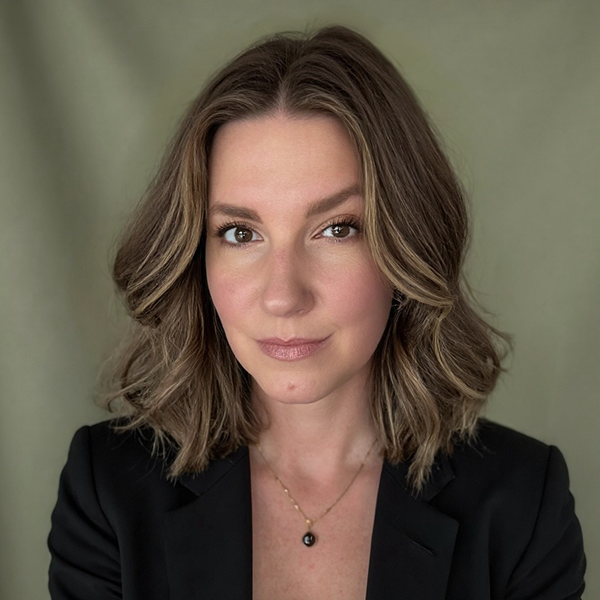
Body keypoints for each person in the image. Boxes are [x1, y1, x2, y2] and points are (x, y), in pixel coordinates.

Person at [47, 25, 585, 599]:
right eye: (240, 233)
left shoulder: (524, 505)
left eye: (336, 229)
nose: (283, 295)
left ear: (407, 245)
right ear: (195, 255)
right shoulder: (106, 490)